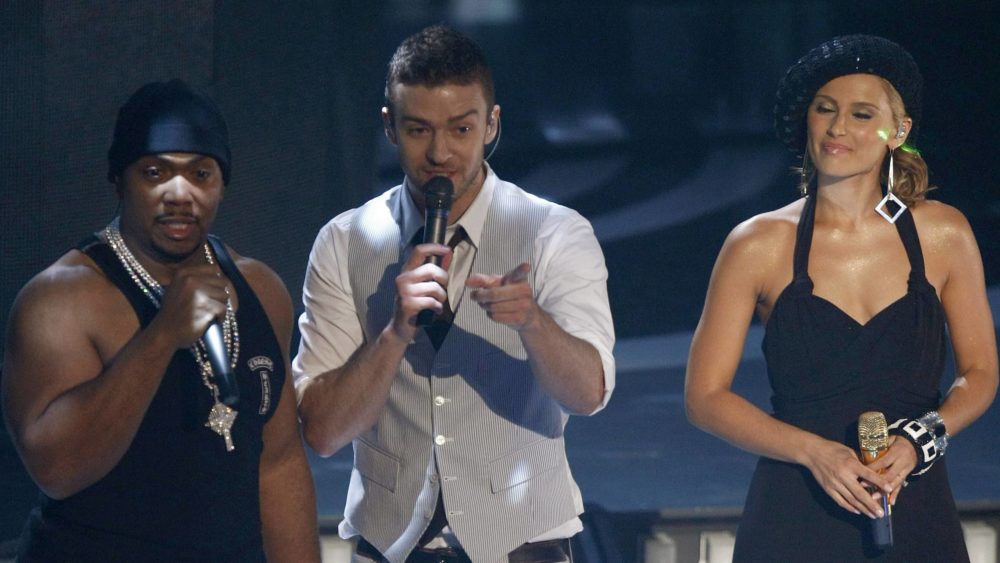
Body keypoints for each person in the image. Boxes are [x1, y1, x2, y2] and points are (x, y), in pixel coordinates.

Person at [294, 25, 615, 563]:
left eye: (460, 129)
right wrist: (394, 333)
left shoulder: (555, 232)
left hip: (523, 545)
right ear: (389, 127)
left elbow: (588, 395)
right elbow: (323, 432)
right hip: (390, 547)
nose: (440, 153)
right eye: (418, 130)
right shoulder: (345, 242)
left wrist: (533, 323)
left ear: (491, 125)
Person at [685, 35, 998, 562]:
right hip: (794, 513)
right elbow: (705, 398)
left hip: (915, 508)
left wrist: (919, 440)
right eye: (825, 109)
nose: (837, 128)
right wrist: (815, 453)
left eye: (861, 114)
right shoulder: (757, 244)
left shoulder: (944, 234)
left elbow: (981, 373)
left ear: (899, 131)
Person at [1, 79, 321, 562]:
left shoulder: (261, 288)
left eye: (201, 173)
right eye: (155, 172)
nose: (180, 193)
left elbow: (278, 463)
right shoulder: (60, 299)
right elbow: (57, 470)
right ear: (119, 180)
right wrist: (161, 335)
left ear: (222, 184)